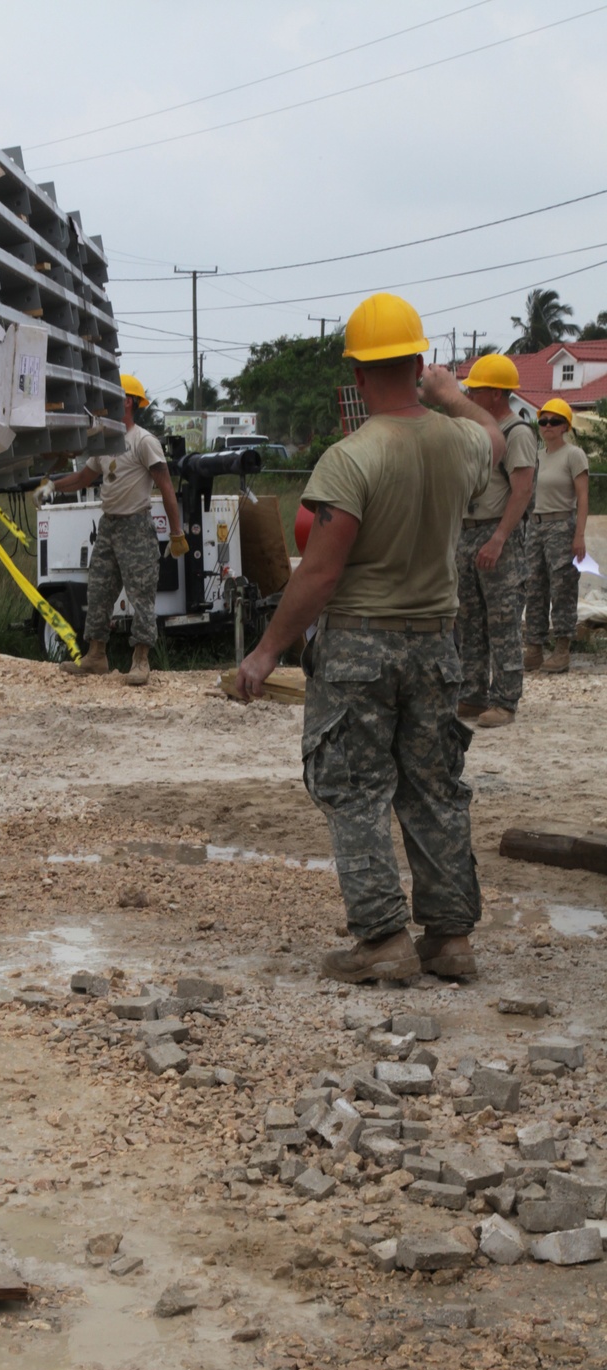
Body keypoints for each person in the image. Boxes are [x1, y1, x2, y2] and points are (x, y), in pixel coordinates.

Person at [236, 294, 504, 983]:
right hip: (436, 645)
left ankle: (383, 941)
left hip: (360, 648)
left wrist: (266, 652)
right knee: (436, 789)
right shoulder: (459, 440)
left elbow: (320, 574)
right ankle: (450, 940)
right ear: (418, 363)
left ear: (357, 375)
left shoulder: (349, 460)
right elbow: (496, 438)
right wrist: (452, 395)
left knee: (354, 789)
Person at [35, 374, 187, 686]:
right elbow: (82, 479)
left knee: (141, 594)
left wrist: (177, 533)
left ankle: (141, 660)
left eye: (110, 399)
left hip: (135, 526)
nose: (101, 406)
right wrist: (51, 486)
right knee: (99, 590)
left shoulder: (144, 442)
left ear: (127, 402)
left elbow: (167, 487)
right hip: (109, 526)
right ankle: (96, 656)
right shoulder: (104, 443)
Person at [457, 354, 538, 728]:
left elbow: (522, 490)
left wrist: (499, 538)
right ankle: (472, 695)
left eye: (474, 388)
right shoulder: (481, 432)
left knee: (503, 620)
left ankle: (505, 700)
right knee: (469, 620)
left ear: (493, 393)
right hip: (470, 532)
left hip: (496, 535)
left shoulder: (516, 432)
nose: (469, 393)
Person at [524, 397, 589, 674]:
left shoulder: (573, 455)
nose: (547, 426)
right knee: (535, 588)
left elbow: (583, 497)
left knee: (562, 587)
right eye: (543, 421)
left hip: (562, 524)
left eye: (554, 421)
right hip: (535, 527)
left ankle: (562, 648)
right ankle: (535, 647)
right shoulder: (537, 456)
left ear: (565, 426)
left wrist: (579, 535)